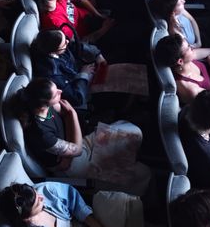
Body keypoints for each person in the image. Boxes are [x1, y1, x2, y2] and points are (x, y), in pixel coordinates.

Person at [11, 77, 149, 191]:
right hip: (74, 165)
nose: (60, 91)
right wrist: (72, 114)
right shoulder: (41, 133)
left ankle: (124, 160)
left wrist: (70, 124)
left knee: (134, 131)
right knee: (143, 173)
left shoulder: (49, 106)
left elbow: (73, 145)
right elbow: (75, 151)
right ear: (43, 104)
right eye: (55, 94)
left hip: (77, 144)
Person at [0, 181, 115, 227]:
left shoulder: (45, 190)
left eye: (36, 193)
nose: (42, 198)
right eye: (38, 203)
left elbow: (72, 198)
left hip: (92, 221)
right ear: (26, 218)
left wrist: (96, 226)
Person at [23, 0, 115, 42]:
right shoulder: (55, 23)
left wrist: (97, 14)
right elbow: (81, 42)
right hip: (94, 32)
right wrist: (104, 29)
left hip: (93, 15)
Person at [30, 28, 106, 107]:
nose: (67, 42)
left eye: (65, 38)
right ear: (52, 52)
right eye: (64, 44)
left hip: (81, 70)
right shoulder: (53, 74)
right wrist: (84, 75)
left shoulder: (55, 42)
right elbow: (77, 98)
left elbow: (75, 46)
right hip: (82, 88)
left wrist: (97, 54)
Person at [154, 33, 210, 105]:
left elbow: (197, 53)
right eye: (188, 47)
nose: (192, 47)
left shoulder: (186, 60)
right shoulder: (189, 88)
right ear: (180, 61)